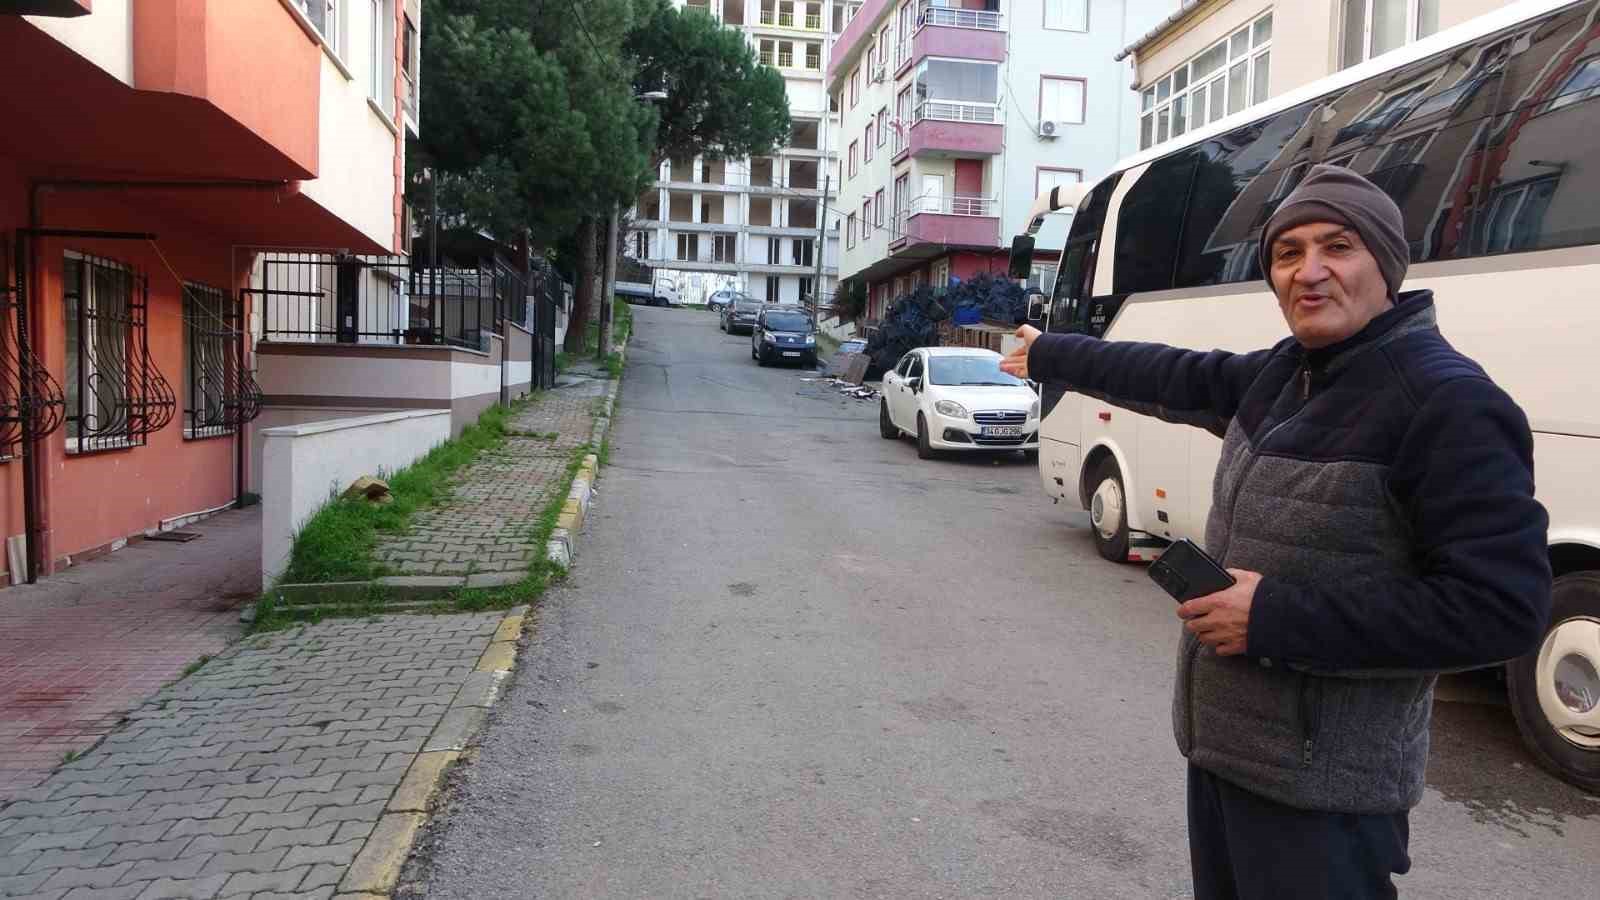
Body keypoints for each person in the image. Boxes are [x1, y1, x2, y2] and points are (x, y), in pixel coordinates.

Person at [1000, 164, 1552, 899]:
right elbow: (1172, 375)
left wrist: (1273, 618)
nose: (1309, 272)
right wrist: (1050, 354)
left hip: (1325, 801)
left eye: (1338, 247)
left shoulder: (1448, 403)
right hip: (1225, 761)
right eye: (1287, 253)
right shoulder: (1289, 375)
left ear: (1387, 264)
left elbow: (1501, 609)